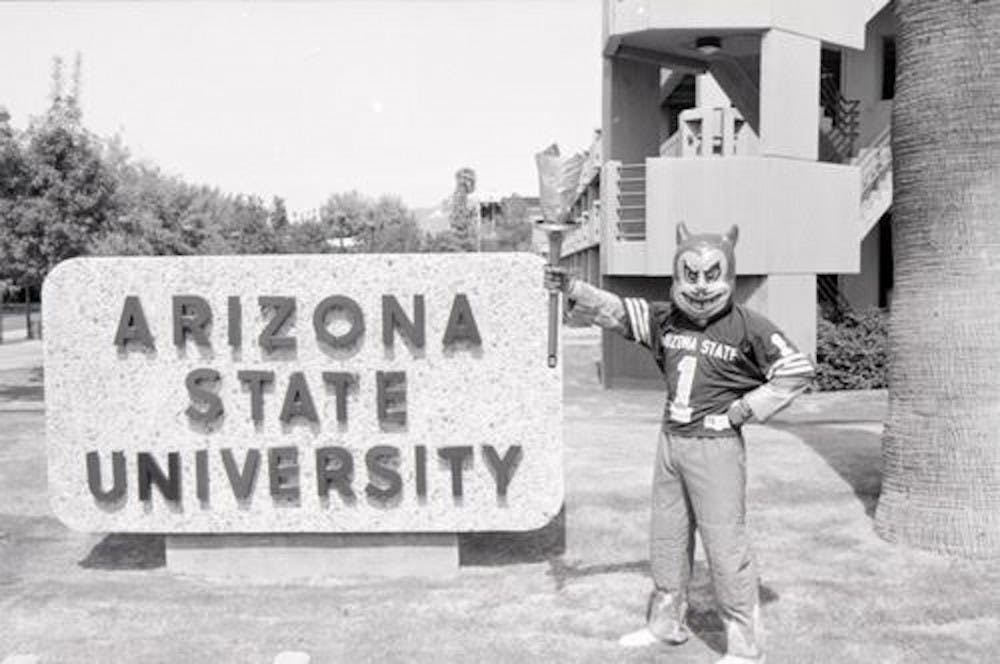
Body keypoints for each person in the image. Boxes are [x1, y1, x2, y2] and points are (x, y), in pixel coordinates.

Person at [545, 223, 814, 664]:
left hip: (716, 446)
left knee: (725, 546)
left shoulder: (750, 326)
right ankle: (666, 625)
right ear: (677, 276)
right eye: (692, 275)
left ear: (729, 275)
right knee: (667, 541)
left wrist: (743, 410)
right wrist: (571, 285)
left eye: (712, 275)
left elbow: (796, 370)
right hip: (671, 441)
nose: (702, 287)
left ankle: (746, 648)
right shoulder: (665, 318)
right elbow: (613, 310)